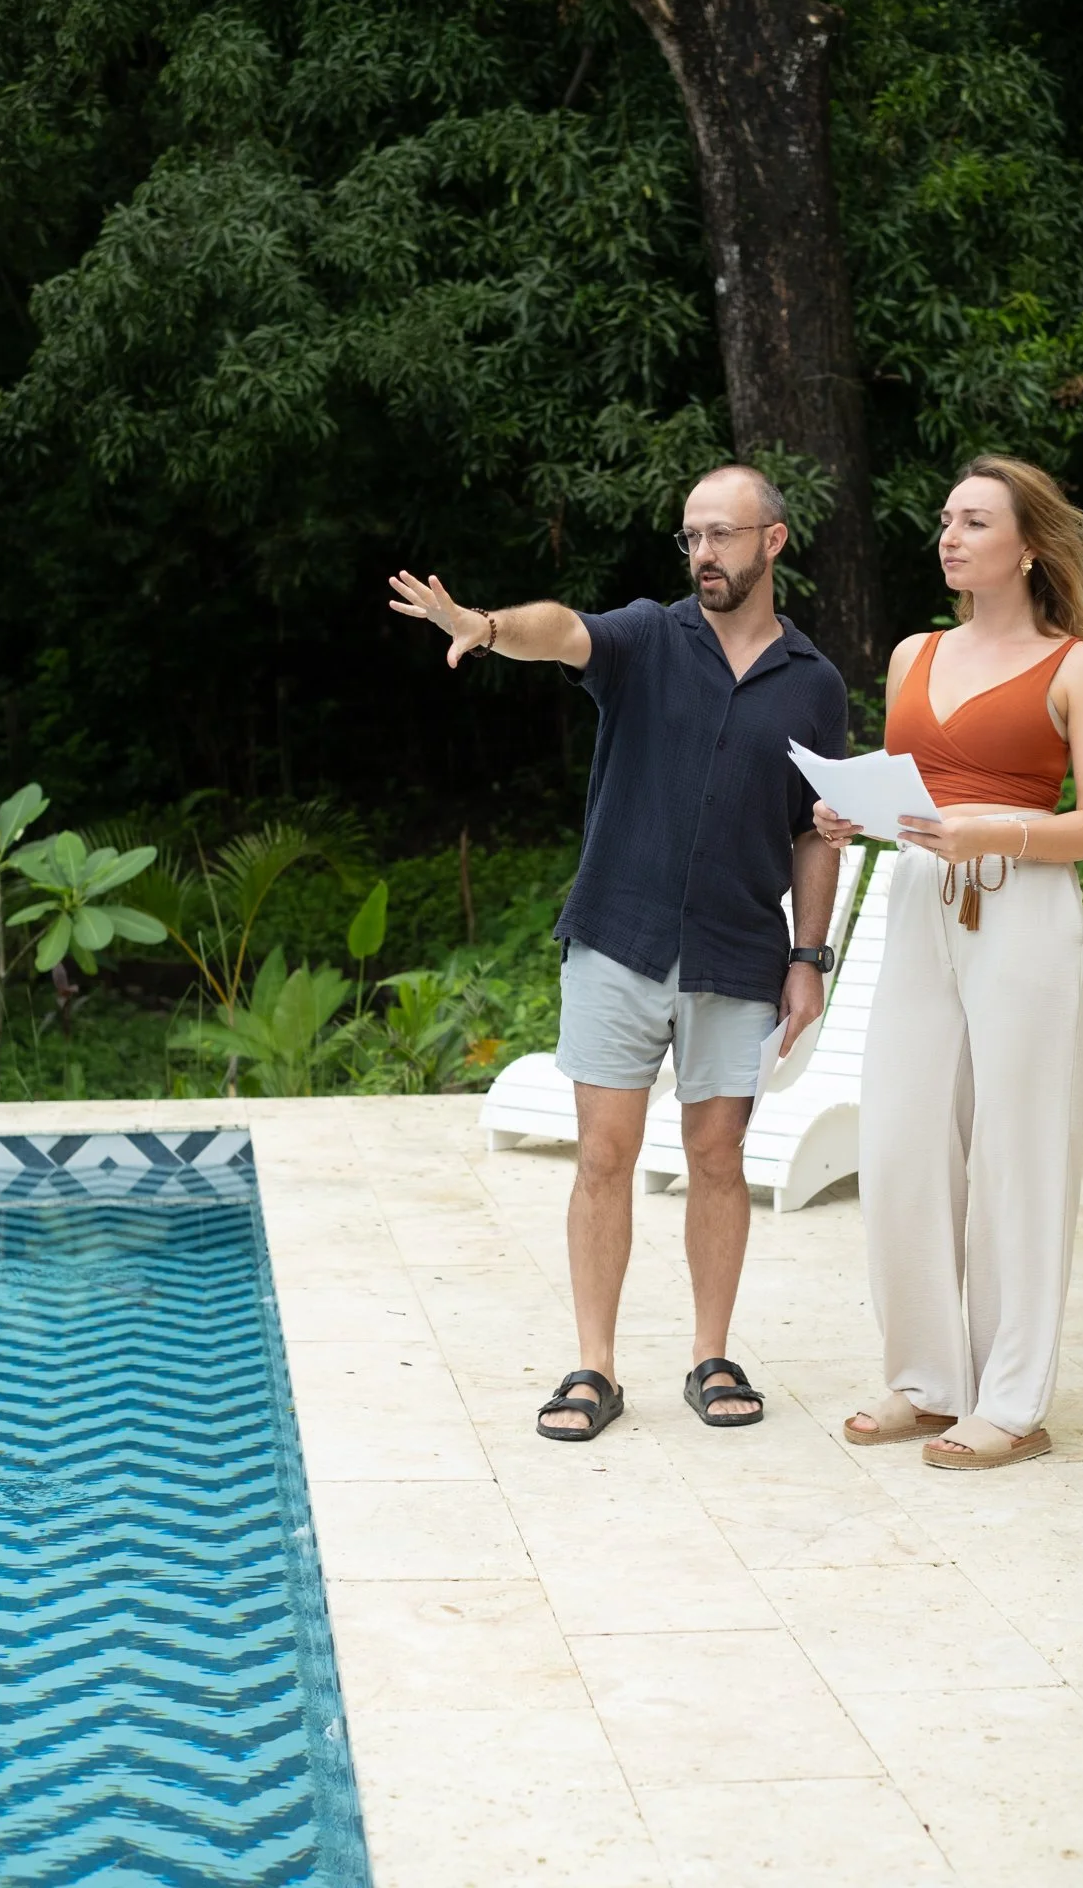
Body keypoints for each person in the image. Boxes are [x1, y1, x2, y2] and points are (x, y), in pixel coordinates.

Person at [389, 466, 847, 1439]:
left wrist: (809, 954)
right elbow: (566, 628)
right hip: (618, 937)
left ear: (773, 539)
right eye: (690, 536)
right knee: (604, 1153)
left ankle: (709, 1352)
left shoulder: (813, 683)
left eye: (721, 534)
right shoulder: (649, 635)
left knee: (717, 1157)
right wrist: (489, 623)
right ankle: (593, 1363)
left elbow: (815, 830)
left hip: (738, 952)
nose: (703, 554)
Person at [815, 455, 1083, 1469]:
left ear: (1028, 546)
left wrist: (998, 826)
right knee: (901, 1138)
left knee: (1017, 1151)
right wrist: (848, 812)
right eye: (946, 519)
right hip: (915, 902)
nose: (949, 536)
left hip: (1024, 909)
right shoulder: (914, 654)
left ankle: (1012, 1398)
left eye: (974, 521)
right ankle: (924, 1377)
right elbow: (912, 792)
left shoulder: (1078, 666)